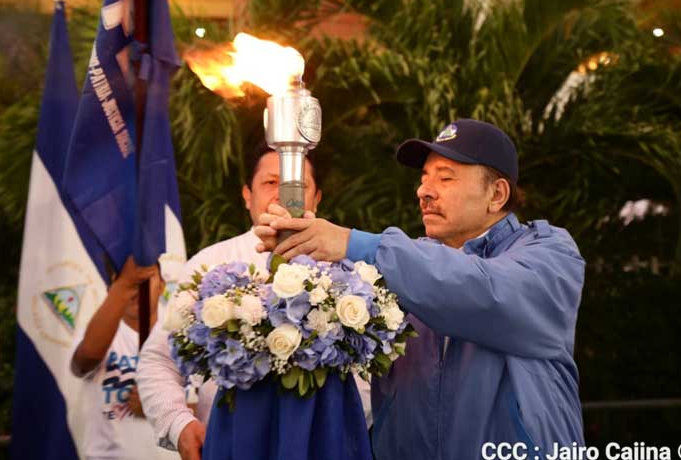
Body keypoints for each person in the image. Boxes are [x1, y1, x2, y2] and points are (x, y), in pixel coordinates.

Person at [255, 119, 586, 459]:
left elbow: (484, 293)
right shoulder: (407, 262)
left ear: (496, 194)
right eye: (424, 178)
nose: (424, 191)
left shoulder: (550, 253)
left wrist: (352, 242)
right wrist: (296, 244)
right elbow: (327, 298)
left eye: (445, 177)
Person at [136, 143, 373, 460]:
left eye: (297, 185)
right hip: (229, 446)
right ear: (247, 194)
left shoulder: (349, 271)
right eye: (270, 182)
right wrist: (178, 424)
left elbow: (374, 371)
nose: (282, 194)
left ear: (317, 198)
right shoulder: (210, 264)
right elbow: (159, 360)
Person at [71, 256, 178, 460]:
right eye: (129, 281)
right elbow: (84, 361)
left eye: (145, 279)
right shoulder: (98, 335)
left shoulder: (182, 336)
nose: (137, 289)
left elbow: (204, 408)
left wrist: (160, 407)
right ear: (114, 289)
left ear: (162, 285)